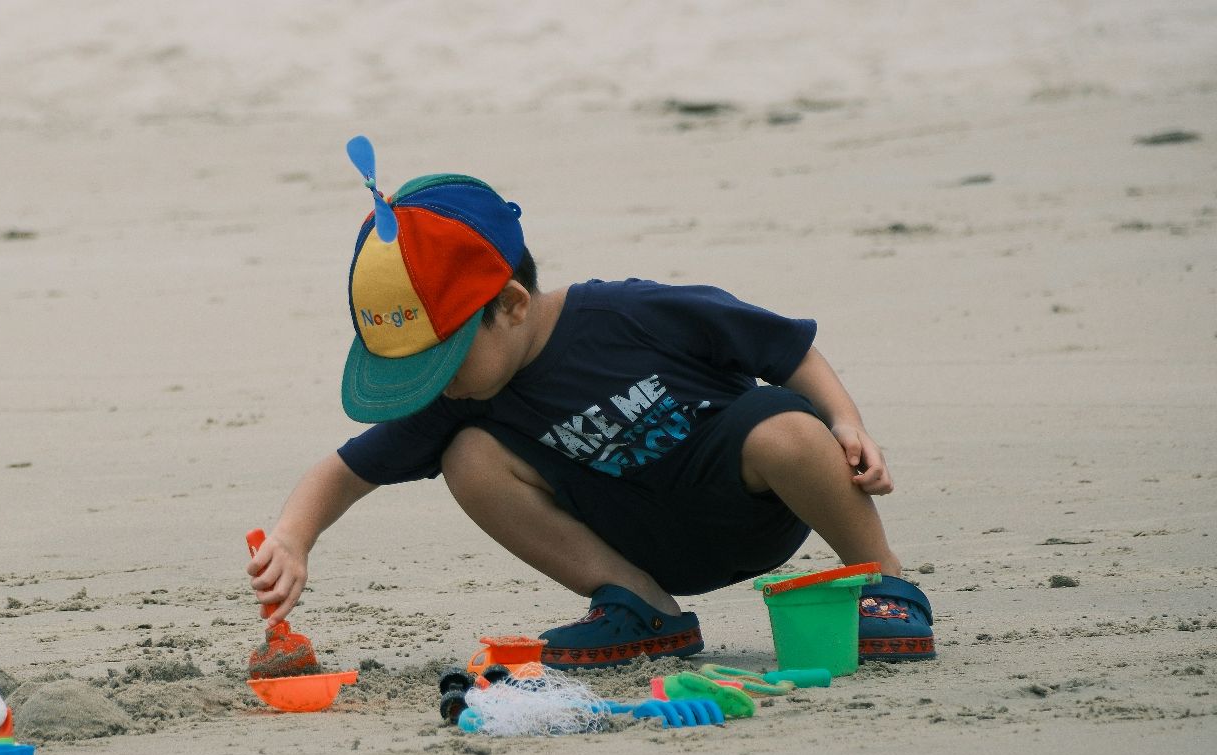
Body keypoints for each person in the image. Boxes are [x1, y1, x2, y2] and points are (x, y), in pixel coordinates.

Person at [246, 159, 934, 668]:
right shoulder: (464, 398)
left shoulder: (631, 314)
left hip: (752, 505)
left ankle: (884, 581)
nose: (437, 387)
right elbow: (342, 471)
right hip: (639, 544)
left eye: (444, 362)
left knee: (787, 423)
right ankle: (643, 612)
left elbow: (787, 350)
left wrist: (845, 422)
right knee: (469, 457)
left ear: (511, 306)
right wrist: (292, 538)